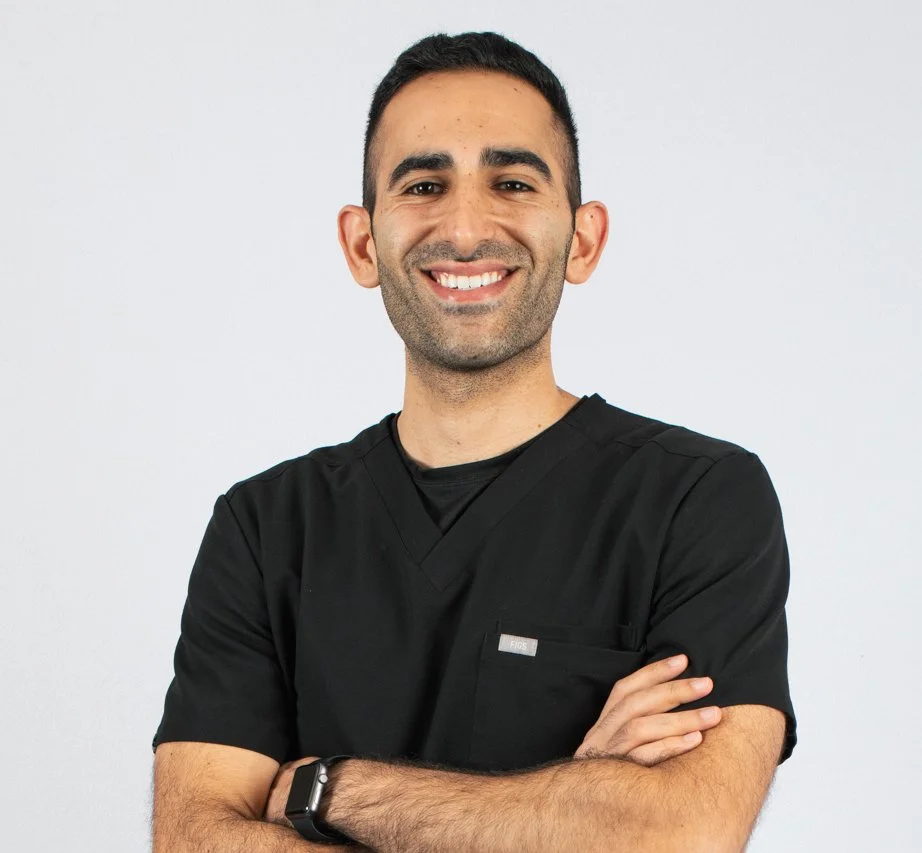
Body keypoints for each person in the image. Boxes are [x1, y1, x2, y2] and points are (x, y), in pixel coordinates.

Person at [151, 31, 796, 852]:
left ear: (583, 239)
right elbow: (192, 840)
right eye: (424, 184)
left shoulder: (698, 500)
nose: (463, 228)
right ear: (361, 243)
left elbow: (682, 832)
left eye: (512, 182)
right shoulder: (266, 527)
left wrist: (327, 788)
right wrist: (571, 805)